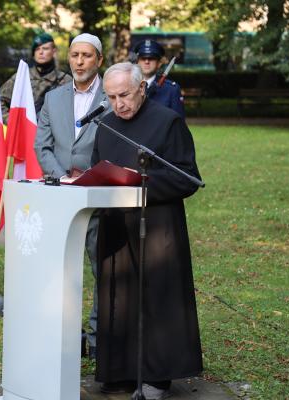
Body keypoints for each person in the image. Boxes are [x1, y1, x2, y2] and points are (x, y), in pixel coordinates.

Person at [91, 62, 202, 399]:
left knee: (157, 296)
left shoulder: (168, 122)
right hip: (116, 226)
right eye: (111, 97)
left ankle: (158, 373)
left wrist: (141, 184)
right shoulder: (105, 125)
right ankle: (119, 369)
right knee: (118, 297)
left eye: (124, 94)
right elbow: (99, 170)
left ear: (141, 88)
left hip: (157, 226)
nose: (118, 103)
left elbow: (186, 176)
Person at [34, 32, 108, 358]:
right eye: (75, 55)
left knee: (102, 270)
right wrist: (62, 176)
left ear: (99, 60)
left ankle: (98, 338)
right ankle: (70, 337)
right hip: (61, 197)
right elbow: (42, 145)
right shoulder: (53, 98)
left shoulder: (113, 95)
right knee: (63, 271)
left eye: (87, 56)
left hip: (100, 197)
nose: (79, 61)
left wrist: (92, 177)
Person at [0, 32, 72, 124]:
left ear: (54, 51)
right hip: (25, 134)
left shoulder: (65, 80)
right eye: (37, 49)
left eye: (45, 48)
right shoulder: (21, 78)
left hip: (53, 135)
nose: (41, 52)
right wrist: (12, 121)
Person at [133, 39, 185, 118]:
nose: (147, 61)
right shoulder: (129, 86)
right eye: (143, 58)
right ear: (137, 62)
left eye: (151, 58)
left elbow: (179, 123)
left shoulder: (171, 90)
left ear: (159, 63)